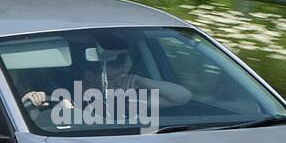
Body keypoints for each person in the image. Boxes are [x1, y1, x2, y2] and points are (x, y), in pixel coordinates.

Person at [20, 33, 191, 110]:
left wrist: (141, 81)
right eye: (113, 78)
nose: (120, 82)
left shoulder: (122, 101)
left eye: (122, 76)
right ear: (89, 76)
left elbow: (182, 97)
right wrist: (31, 99)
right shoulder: (56, 96)